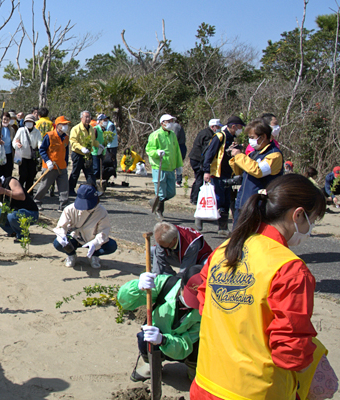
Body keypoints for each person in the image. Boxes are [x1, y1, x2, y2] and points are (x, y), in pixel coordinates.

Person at [191, 174, 330, 400]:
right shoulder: (289, 268)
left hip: (207, 382)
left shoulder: (223, 251)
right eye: (312, 219)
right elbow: (290, 350)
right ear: (297, 214)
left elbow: (206, 306)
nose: (311, 227)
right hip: (256, 391)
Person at [118, 266, 202, 382]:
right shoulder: (164, 284)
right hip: (157, 336)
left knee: (201, 342)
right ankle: (152, 364)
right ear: (182, 285)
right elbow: (124, 302)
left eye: (198, 301)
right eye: (190, 298)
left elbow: (184, 347)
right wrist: (137, 287)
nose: (193, 305)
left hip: (185, 347)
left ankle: (194, 368)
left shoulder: (206, 309)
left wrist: (164, 340)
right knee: (144, 337)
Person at [229, 120, 284, 225]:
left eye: (252, 138)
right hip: (243, 203)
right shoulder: (253, 154)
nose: (250, 141)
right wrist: (234, 158)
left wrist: (240, 156)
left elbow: (258, 171)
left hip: (258, 207)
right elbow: (240, 172)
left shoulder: (274, 155)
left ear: (263, 137)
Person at [52, 184, 117, 268]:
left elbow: (103, 232)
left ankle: (94, 256)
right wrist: (62, 236)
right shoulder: (69, 209)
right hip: (75, 237)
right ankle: (71, 255)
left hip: (92, 238)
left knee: (111, 245)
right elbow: (61, 226)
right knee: (57, 243)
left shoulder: (101, 212)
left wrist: (95, 243)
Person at [202, 116, 244, 234]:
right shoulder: (220, 137)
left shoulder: (232, 138)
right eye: (240, 127)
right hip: (218, 173)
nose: (240, 130)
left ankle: (223, 228)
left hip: (229, 174)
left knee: (226, 200)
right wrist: (206, 171)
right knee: (220, 200)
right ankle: (220, 227)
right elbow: (209, 154)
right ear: (233, 126)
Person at [145, 114, 184, 219]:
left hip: (170, 167)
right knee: (161, 192)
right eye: (169, 121)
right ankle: (159, 211)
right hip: (159, 167)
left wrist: (179, 165)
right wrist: (156, 152)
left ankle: (154, 201)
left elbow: (177, 152)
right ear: (162, 123)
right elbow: (149, 149)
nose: (171, 123)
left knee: (171, 192)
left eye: (172, 121)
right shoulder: (155, 135)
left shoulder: (172, 135)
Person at [0, 173, 40, 241]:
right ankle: (13, 232)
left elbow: (22, 196)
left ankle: (23, 235)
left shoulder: (11, 181)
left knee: (12, 216)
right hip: (14, 212)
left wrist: (5, 191)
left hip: (30, 212)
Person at [34, 116, 72, 211]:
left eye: (66, 124)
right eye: (64, 124)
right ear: (58, 125)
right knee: (44, 185)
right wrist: (47, 161)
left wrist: (66, 163)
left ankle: (63, 205)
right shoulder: (49, 135)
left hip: (62, 166)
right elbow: (42, 150)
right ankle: (37, 202)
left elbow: (66, 152)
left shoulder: (66, 137)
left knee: (64, 187)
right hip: (50, 166)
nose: (66, 126)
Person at [189, 119, 222, 205]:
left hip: (196, 158)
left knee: (198, 179)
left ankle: (194, 197)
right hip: (198, 159)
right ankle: (195, 199)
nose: (219, 129)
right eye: (218, 127)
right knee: (200, 179)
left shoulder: (206, 132)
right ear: (212, 127)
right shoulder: (207, 135)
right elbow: (207, 149)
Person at [68, 111, 99, 196]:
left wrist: (99, 145)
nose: (88, 119)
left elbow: (93, 140)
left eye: (89, 117)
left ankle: (93, 190)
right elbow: (73, 141)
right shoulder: (76, 128)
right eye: (86, 117)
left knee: (90, 172)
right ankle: (70, 189)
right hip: (78, 154)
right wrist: (81, 148)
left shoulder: (91, 129)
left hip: (88, 155)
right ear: (81, 118)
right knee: (75, 172)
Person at [12, 114, 42, 190]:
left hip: (33, 157)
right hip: (22, 157)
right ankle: (20, 190)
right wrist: (16, 144)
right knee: (23, 175)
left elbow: (39, 142)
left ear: (33, 123)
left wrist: (40, 147)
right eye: (27, 121)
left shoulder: (37, 132)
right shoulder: (21, 130)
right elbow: (14, 141)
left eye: (30, 121)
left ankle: (29, 192)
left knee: (31, 176)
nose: (29, 123)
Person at [0, 112, 16, 179]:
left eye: (7, 119)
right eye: (4, 119)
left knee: (7, 173)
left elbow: (14, 140)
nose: (5, 121)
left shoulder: (11, 129)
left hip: (8, 154)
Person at [166, 118, 187, 187]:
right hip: (177, 146)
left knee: (178, 164)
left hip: (179, 147)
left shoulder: (175, 126)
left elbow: (174, 138)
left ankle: (178, 181)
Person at [91, 114, 109, 181]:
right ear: (99, 121)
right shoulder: (96, 129)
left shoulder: (105, 130)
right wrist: (97, 147)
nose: (105, 122)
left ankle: (99, 184)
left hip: (102, 152)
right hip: (95, 152)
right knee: (96, 169)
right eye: (104, 120)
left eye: (106, 120)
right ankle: (93, 184)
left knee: (101, 169)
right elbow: (93, 140)